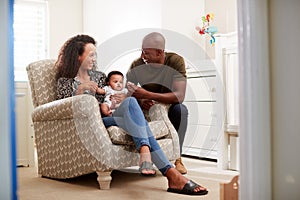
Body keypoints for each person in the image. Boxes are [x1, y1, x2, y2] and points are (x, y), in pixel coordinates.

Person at [55, 34, 208, 195]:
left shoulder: (100, 77)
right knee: (138, 121)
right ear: (78, 57)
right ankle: (170, 173)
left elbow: (115, 95)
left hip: (112, 116)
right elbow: (62, 109)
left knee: (131, 102)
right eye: (90, 54)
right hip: (94, 123)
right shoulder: (65, 82)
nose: (94, 58)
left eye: (95, 54)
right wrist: (79, 91)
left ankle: (145, 149)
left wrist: (122, 98)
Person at [126, 32, 188, 174]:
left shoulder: (175, 61)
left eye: (146, 53)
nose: (143, 56)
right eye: (142, 52)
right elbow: (127, 94)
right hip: (147, 109)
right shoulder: (137, 65)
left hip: (169, 106)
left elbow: (180, 95)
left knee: (181, 110)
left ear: (159, 52)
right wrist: (141, 100)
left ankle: (178, 158)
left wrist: (148, 94)